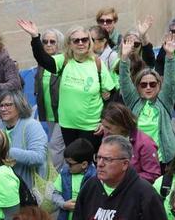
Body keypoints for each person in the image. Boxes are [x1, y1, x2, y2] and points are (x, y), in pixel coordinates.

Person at [19, 20, 114, 149]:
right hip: (67, 125)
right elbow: (43, 60)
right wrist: (35, 37)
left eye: (84, 40)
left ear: (89, 42)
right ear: (69, 44)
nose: (81, 43)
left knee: (91, 163)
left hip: (91, 126)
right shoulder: (64, 61)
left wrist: (105, 121)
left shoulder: (97, 63)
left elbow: (112, 95)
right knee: (73, 163)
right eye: (76, 40)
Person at [72, 135, 166, 220]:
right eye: (98, 157)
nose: (100, 164)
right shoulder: (89, 187)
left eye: (107, 159)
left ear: (125, 164)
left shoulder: (145, 194)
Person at [119, 36, 175, 165]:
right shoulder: (133, 101)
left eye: (152, 84)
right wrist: (124, 59)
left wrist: (170, 56)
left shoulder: (164, 101)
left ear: (159, 85)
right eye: (144, 85)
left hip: (163, 159)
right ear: (137, 87)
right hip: (137, 159)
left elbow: (171, 81)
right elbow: (123, 81)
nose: (148, 87)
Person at [29, 26, 67, 171]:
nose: (48, 45)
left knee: (55, 146)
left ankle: (54, 176)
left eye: (52, 42)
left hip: (62, 113)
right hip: (49, 113)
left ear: (60, 44)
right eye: (45, 42)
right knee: (58, 145)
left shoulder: (63, 62)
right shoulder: (42, 64)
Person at [0, 90, 48, 190]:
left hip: (31, 190)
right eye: (0, 106)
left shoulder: (31, 125)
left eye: (8, 105)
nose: (3, 109)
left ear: (19, 106)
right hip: (9, 188)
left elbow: (39, 157)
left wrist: (7, 152)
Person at [99, 103, 161, 183]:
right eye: (103, 126)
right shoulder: (108, 136)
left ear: (122, 125)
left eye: (108, 128)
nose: (105, 131)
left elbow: (153, 175)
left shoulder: (145, 144)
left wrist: (123, 178)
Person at [52, 138, 95, 220]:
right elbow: (55, 193)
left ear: (84, 164)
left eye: (70, 164)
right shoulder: (64, 173)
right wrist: (63, 204)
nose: (67, 166)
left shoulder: (94, 177)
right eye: (66, 162)